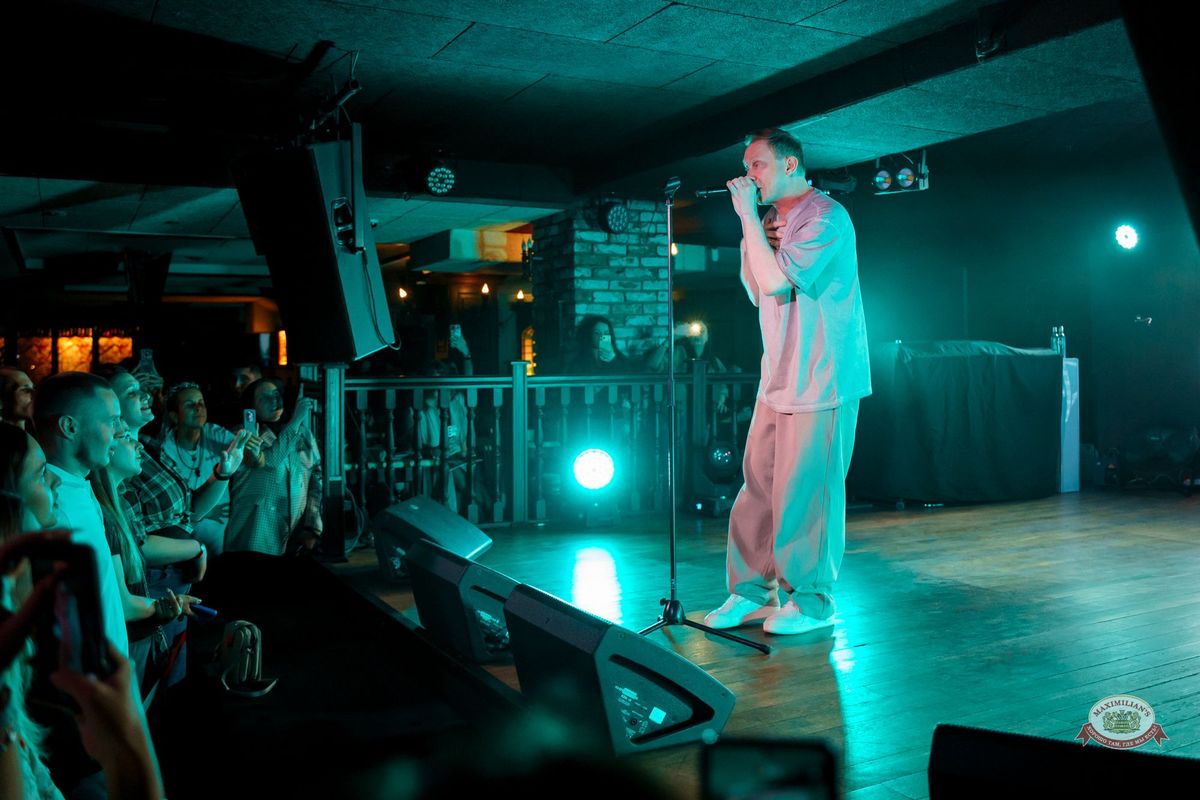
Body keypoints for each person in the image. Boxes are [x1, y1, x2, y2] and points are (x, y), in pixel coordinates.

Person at [703, 129, 871, 636]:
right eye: (747, 167)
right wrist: (752, 231)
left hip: (821, 376)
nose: (748, 175)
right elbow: (758, 291)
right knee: (758, 487)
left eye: (757, 165)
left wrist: (746, 218)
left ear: (790, 164)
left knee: (807, 493)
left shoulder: (825, 217)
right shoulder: (769, 221)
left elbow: (778, 281)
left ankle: (814, 603)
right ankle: (752, 592)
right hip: (777, 375)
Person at [226, 378, 322, 556]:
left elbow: (315, 475)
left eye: (276, 394)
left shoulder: (303, 434)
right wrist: (296, 419)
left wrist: (312, 523)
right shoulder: (241, 435)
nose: (274, 400)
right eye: (264, 398)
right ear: (251, 406)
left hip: (294, 531)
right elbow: (269, 462)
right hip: (255, 532)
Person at [152, 383, 235, 557]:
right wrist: (205, 510)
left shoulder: (215, 434)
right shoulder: (165, 449)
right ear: (174, 416)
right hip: (182, 548)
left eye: (201, 402)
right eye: (190, 405)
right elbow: (173, 503)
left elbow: (247, 456)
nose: (198, 408)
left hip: (218, 545)